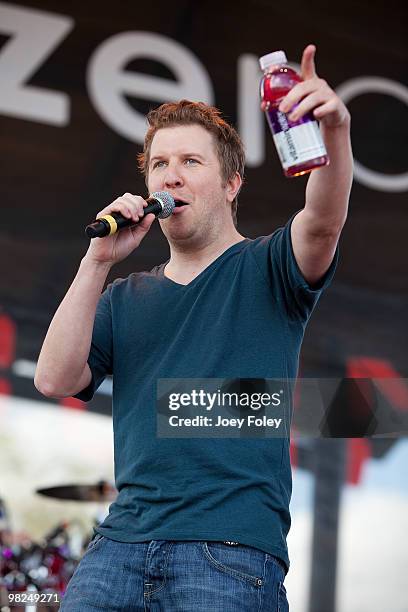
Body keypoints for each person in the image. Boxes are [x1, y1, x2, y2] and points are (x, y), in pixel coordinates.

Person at [34, 44, 352, 612]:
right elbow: (54, 379)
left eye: (190, 163)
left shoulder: (268, 266)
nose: (171, 177)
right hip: (119, 545)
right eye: (160, 164)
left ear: (232, 184)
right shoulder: (124, 296)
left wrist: (335, 133)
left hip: (228, 551)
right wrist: (97, 261)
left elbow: (323, 222)